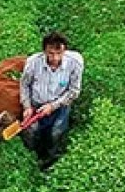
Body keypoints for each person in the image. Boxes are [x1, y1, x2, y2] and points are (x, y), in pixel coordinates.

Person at [19, 31, 84, 171]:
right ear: (44, 51)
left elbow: (74, 92)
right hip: (36, 104)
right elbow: (24, 85)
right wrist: (27, 106)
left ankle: (50, 160)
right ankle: (31, 159)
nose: (55, 58)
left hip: (60, 105)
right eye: (50, 53)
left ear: (64, 50)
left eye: (59, 53)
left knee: (56, 132)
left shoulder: (75, 63)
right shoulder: (32, 63)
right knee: (31, 131)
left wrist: (53, 106)